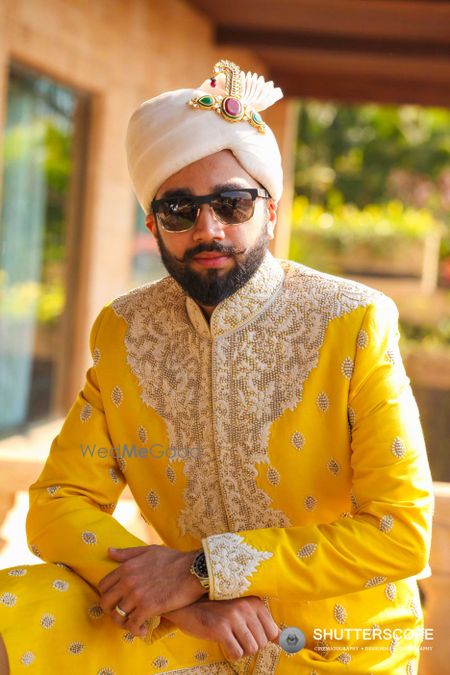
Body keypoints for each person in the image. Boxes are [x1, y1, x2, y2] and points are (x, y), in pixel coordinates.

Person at [0, 59, 434, 674]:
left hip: (332, 646)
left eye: (232, 203)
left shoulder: (353, 322)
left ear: (271, 210)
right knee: (9, 606)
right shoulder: (124, 332)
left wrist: (205, 568)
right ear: (152, 225)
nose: (209, 228)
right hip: (192, 629)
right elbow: (57, 501)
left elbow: (401, 532)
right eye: (179, 210)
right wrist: (183, 601)